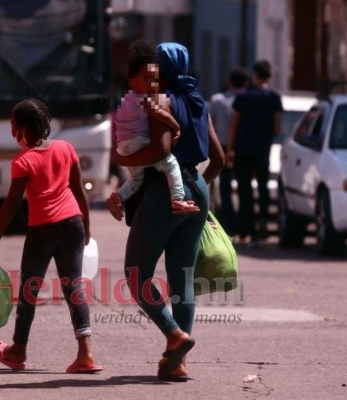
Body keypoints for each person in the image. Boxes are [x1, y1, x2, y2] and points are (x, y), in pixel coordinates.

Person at [107, 42, 224, 381]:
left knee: (136, 274)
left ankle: (174, 334)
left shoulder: (161, 101)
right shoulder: (199, 102)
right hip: (197, 190)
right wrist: (196, 189)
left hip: (164, 192)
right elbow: (218, 161)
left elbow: (159, 151)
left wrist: (123, 159)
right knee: (182, 280)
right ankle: (178, 363)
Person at [0, 98, 103, 373]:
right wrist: (87, 227)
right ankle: (86, 353)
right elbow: (80, 191)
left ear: (22, 128)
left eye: (14, 127)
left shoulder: (23, 161)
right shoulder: (66, 148)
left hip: (43, 229)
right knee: (73, 288)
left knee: (29, 291)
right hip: (73, 223)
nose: (13, 133)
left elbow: (12, 202)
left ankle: (17, 350)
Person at [114, 40, 199, 214]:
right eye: (147, 80)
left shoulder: (126, 100)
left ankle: (118, 196)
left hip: (124, 146)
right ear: (132, 81)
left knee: (136, 179)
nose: (153, 85)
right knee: (170, 164)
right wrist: (176, 126)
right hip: (139, 142)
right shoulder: (147, 99)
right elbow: (160, 120)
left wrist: (122, 157)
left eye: (155, 79)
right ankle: (177, 199)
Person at [226, 60, 283, 246]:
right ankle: (263, 226)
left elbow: (234, 124)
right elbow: (277, 127)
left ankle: (245, 229)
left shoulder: (243, 96)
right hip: (262, 149)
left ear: (255, 75)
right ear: (270, 76)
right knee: (263, 188)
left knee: (245, 190)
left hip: (243, 148)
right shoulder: (274, 97)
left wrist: (230, 149)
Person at [208, 67, 250, 235]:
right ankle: (245, 225)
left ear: (228, 82)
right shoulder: (247, 99)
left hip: (222, 146)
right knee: (244, 186)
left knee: (224, 187)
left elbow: (211, 122)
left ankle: (227, 223)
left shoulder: (218, 100)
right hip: (243, 147)